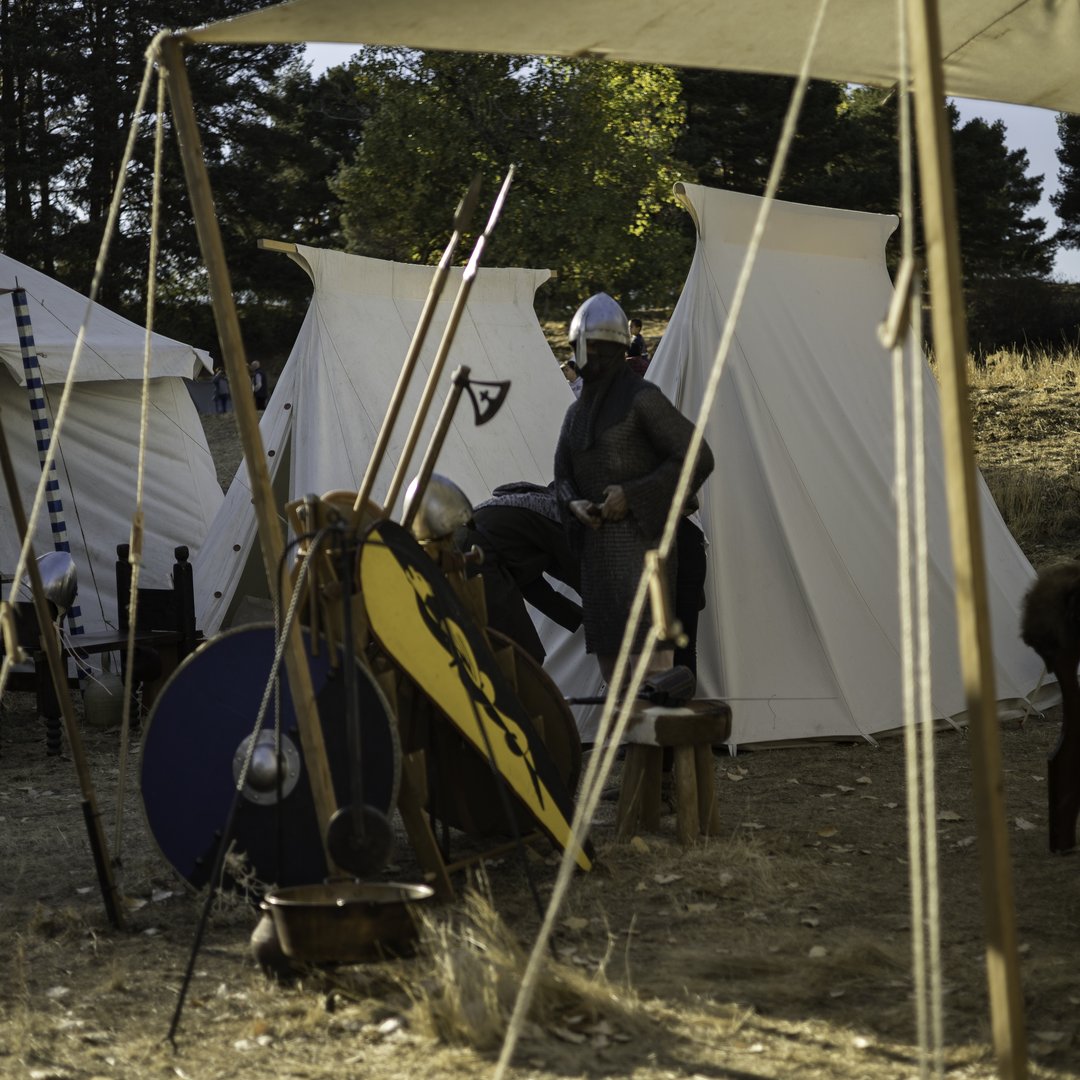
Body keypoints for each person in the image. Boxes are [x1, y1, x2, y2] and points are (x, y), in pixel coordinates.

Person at [554, 293, 713, 687]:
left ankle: (660, 749)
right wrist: (574, 504)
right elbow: (562, 477)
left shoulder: (643, 399)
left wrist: (633, 494)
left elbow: (696, 456)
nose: (585, 354)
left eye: (594, 346)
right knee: (616, 681)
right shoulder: (576, 414)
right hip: (599, 563)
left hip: (647, 558)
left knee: (656, 677)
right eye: (581, 347)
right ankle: (631, 748)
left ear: (613, 348)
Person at [454, 482, 583, 664]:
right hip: (473, 553)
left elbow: (538, 593)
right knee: (521, 656)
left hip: (462, 552)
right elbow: (584, 575)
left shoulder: (523, 521)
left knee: (516, 655)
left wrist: (583, 618)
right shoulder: (556, 513)